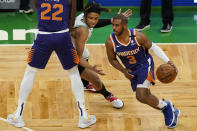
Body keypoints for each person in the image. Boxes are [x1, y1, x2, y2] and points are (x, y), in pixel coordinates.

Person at [7, 0, 96, 129]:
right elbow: (72, 15)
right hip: (63, 36)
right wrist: (66, 28)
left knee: (30, 72)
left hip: (43, 37)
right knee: (73, 73)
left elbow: (37, 7)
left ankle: (18, 115)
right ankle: (83, 116)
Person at [105, 14, 180, 128]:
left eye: (117, 25)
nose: (114, 28)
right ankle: (168, 107)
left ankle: (166, 107)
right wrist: (124, 70)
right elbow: (112, 60)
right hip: (132, 70)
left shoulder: (137, 36)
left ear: (124, 26)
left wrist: (168, 61)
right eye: (113, 25)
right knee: (145, 97)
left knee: (141, 95)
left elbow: (153, 47)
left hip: (145, 65)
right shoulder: (110, 42)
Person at [70, 1, 132, 108]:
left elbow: (93, 24)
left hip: (76, 47)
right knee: (96, 79)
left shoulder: (83, 17)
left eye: (96, 18)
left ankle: (85, 83)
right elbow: (78, 58)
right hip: (69, 54)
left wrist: (111, 21)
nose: (93, 21)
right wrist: (91, 68)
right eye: (91, 18)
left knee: (86, 54)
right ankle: (109, 96)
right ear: (85, 15)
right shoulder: (82, 31)